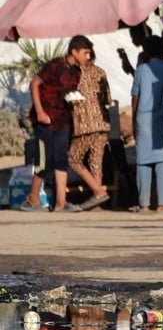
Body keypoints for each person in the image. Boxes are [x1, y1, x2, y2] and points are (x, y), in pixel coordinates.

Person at [22, 34, 90, 213]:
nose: (88, 57)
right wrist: (40, 111)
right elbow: (35, 84)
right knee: (44, 160)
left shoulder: (77, 72)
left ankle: (61, 202)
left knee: (61, 159)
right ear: (74, 52)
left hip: (62, 120)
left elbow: (67, 94)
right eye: (85, 53)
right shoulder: (55, 65)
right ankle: (32, 198)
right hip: (44, 120)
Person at [130, 35, 163, 212]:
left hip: (142, 119)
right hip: (162, 119)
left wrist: (134, 121)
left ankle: (143, 204)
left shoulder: (140, 70)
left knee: (143, 161)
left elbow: (135, 97)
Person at [69, 46, 112, 211]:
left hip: (84, 124)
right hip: (102, 123)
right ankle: (97, 199)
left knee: (74, 159)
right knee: (96, 161)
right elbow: (108, 99)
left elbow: (69, 97)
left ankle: (98, 192)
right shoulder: (101, 72)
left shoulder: (74, 74)